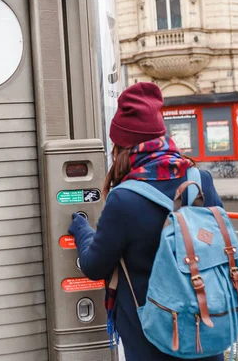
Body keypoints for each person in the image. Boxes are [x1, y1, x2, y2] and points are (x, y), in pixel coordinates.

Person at [68, 82, 224, 361]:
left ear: (121, 147)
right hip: (205, 327)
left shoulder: (123, 199)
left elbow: (94, 265)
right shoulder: (201, 182)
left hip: (152, 337)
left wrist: (81, 229)